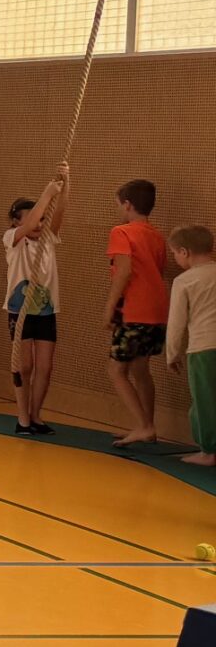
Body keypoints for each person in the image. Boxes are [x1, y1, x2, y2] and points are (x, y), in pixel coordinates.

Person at [106, 177, 172, 448]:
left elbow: (124, 272)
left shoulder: (121, 232)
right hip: (157, 310)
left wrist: (110, 307)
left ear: (127, 205)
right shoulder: (157, 236)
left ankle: (144, 426)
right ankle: (147, 425)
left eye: (119, 205)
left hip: (135, 310)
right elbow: (159, 271)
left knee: (116, 370)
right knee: (140, 369)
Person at [3, 165, 68, 437]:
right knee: (24, 366)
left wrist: (65, 182)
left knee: (45, 367)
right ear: (15, 222)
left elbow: (59, 211)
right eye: (33, 219)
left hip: (46, 311)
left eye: (42, 219)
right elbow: (29, 225)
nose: (38, 224)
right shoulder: (12, 239)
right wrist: (47, 193)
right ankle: (22, 417)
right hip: (20, 310)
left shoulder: (48, 239)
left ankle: (35, 415)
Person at [167, 224, 216, 468]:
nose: (175, 258)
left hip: (203, 347)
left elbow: (176, 322)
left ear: (184, 252)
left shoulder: (184, 281)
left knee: (205, 401)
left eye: (174, 253)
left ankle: (209, 451)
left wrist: (172, 353)